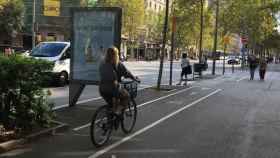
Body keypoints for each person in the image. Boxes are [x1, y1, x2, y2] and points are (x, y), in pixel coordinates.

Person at [99, 46, 138, 114]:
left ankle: (110, 120)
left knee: (111, 106)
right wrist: (134, 78)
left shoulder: (103, 63)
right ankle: (117, 111)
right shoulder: (118, 64)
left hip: (102, 89)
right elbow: (126, 73)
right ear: (116, 54)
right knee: (127, 96)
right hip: (113, 88)